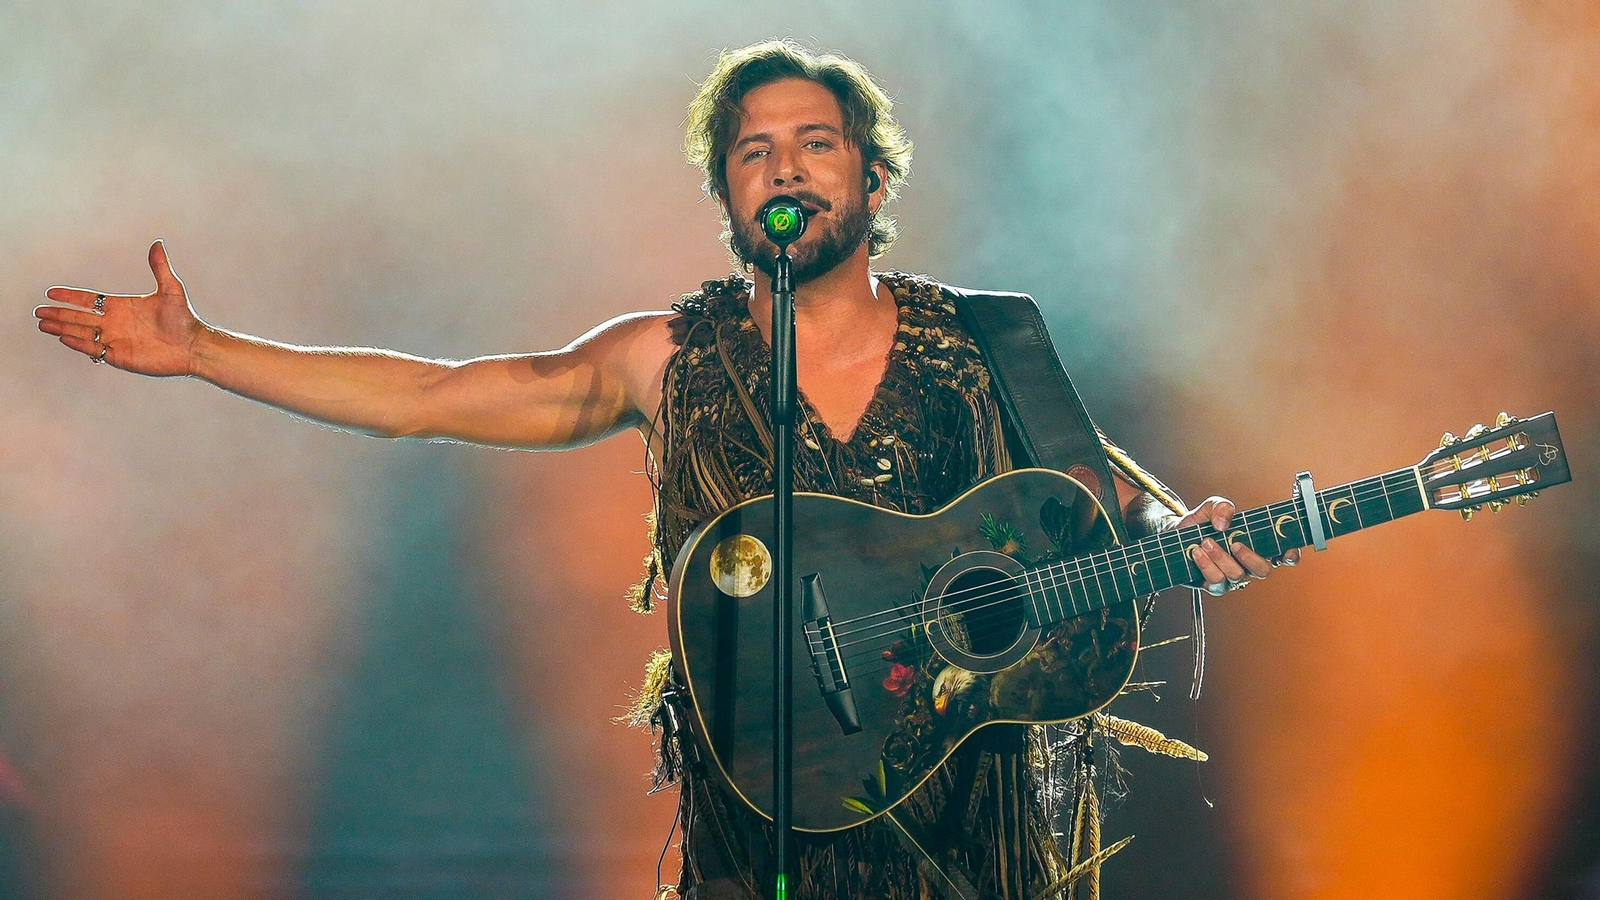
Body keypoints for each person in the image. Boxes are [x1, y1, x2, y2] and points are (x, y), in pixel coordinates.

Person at [34, 38, 1296, 900]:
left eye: (815, 141)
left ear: (872, 175)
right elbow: (427, 397)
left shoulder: (991, 334)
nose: (786, 166)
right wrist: (206, 352)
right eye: (754, 150)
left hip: (970, 833)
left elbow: (1092, 505)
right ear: (726, 191)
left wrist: (1181, 527)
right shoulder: (662, 361)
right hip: (762, 842)